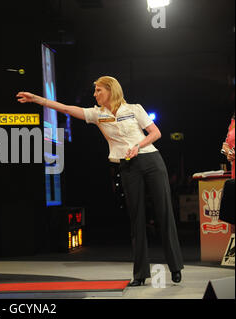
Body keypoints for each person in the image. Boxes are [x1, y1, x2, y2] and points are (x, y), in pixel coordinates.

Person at [17, 76, 184, 286]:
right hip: (127, 165)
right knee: (136, 218)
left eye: (98, 90)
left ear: (110, 91)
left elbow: (156, 133)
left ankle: (176, 267)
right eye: (95, 91)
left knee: (164, 213)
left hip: (151, 160)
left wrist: (138, 146)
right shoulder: (97, 114)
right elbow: (67, 109)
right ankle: (140, 274)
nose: (95, 94)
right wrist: (37, 99)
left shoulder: (134, 109)